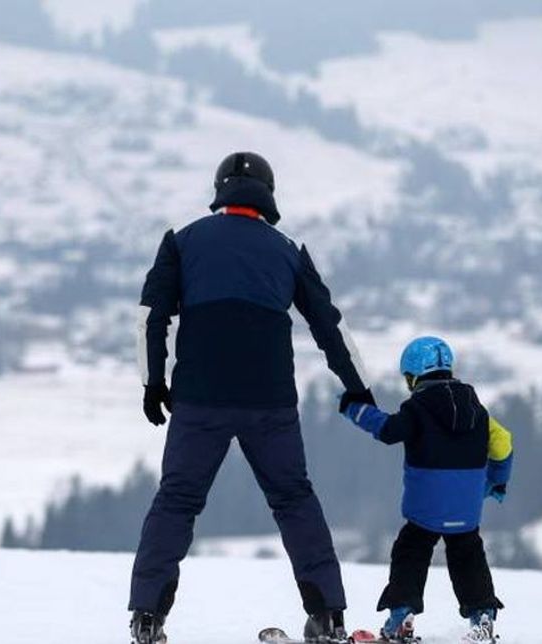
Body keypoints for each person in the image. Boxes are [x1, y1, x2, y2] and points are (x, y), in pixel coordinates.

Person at [130, 151, 375, 644]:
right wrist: (358, 387)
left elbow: (151, 317)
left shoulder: (182, 242)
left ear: (220, 189)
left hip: (200, 398)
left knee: (176, 501)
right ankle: (328, 616)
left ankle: (147, 619)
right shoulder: (287, 249)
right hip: (271, 403)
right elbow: (330, 327)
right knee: (293, 499)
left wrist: (152, 381)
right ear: (269, 193)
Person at [339, 336, 513, 644]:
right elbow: (502, 444)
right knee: (467, 553)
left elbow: (389, 430)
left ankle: (401, 614)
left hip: (426, 507)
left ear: (413, 375)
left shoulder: (417, 407)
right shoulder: (477, 408)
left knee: (412, 550)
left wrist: (356, 410)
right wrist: (497, 480)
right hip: (467, 507)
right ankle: (482, 615)